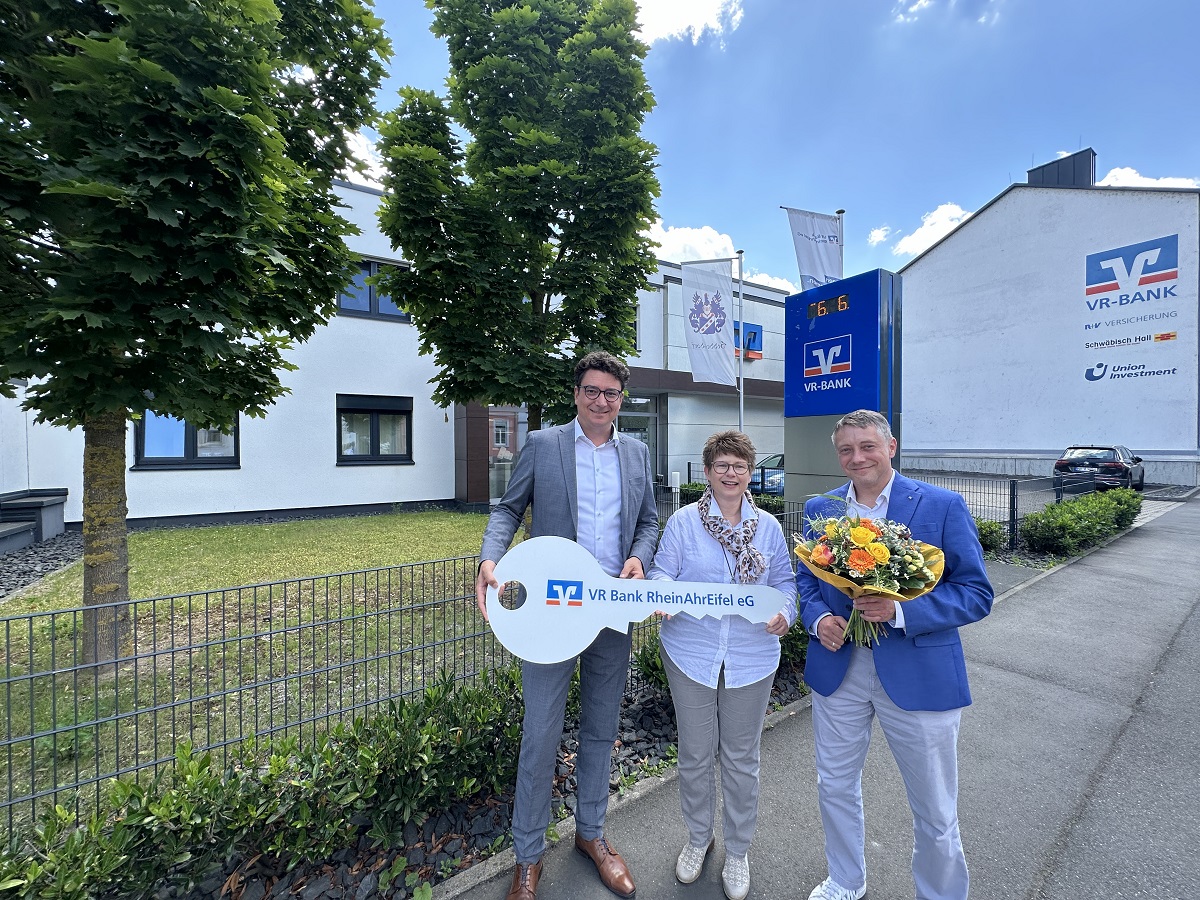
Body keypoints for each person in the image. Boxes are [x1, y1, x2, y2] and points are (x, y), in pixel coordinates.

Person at [475, 351, 659, 900]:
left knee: (602, 727)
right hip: (552, 611)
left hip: (610, 608)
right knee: (541, 735)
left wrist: (641, 558)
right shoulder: (544, 444)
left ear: (621, 399)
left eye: (612, 393)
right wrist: (491, 557)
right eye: (592, 390)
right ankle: (527, 857)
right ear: (576, 393)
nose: (602, 401)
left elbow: (649, 521)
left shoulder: (637, 453)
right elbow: (508, 509)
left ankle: (592, 835)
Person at [797, 409, 993, 900]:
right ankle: (845, 879)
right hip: (839, 668)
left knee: (934, 805)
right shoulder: (820, 509)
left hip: (918, 670)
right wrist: (819, 619)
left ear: (892, 446)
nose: (857, 457)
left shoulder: (941, 505)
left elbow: (975, 593)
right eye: (846, 449)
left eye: (867, 446)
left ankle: (941, 894)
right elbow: (807, 583)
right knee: (835, 785)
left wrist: (900, 612)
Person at [647, 430, 796, 900]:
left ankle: (738, 850)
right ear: (707, 473)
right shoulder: (683, 524)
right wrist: (662, 595)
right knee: (693, 755)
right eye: (722, 466)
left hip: (752, 659)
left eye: (740, 466)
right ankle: (697, 839)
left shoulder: (768, 527)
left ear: (750, 473)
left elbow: (787, 583)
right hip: (690, 654)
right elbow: (661, 572)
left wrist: (785, 614)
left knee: (741, 759)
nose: (731, 474)